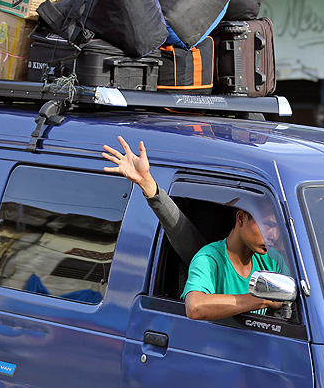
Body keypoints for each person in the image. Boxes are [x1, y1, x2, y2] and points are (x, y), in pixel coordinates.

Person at [102, 136, 284, 320]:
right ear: (241, 218)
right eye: (268, 225)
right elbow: (195, 307)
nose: (274, 235)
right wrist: (261, 300)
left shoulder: (272, 261)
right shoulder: (209, 259)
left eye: (278, 228)